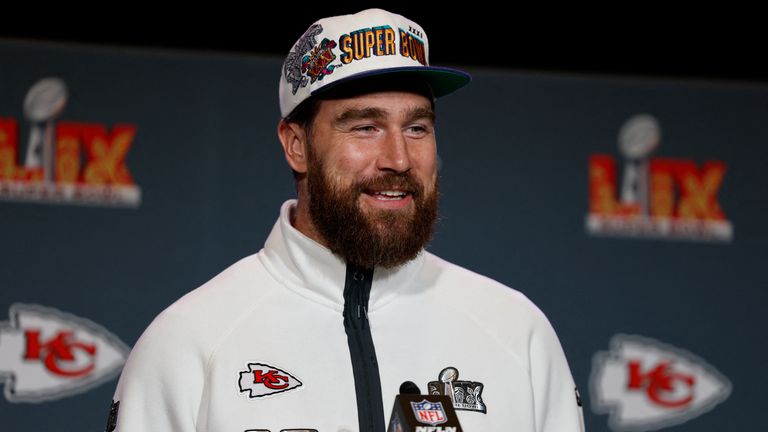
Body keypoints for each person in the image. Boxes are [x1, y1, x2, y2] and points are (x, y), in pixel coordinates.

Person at [107, 8, 585, 432]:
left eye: (417, 127)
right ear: (297, 145)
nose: (398, 158)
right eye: (365, 127)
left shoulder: (517, 334)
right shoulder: (190, 342)